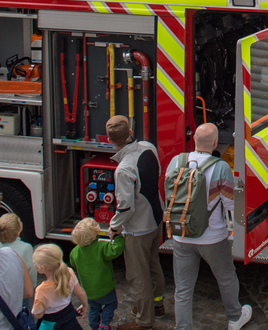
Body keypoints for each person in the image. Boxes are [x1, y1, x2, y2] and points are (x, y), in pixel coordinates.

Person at [168, 123, 253, 330]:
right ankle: (235, 317)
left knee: (183, 289)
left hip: (181, 234)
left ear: (194, 139)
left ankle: (183, 327)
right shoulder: (220, 167)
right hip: (213, 237)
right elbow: (230, 204)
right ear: (215, 143)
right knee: (226, 278)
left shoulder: (176, 161)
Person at [106, 115, 165, 330]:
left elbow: (125, 207)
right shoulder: (149, 148)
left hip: (138, 229)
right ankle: (157, 305)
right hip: (156, 218)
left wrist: (113, 227)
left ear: (111, 140)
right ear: (130, 132)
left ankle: (144, 320)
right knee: (153, 264)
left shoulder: (123, 169)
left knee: (137, 276)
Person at [70, 218, 124, 330]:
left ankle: (94, 326)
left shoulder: (75, 252)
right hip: (105, 288)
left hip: (88, 290)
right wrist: (118, 237)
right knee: (111, 304)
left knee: (94, 309)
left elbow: (73, 263)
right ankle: (104, 324)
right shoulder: (101, 247)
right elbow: (116, 249)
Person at [31, 244, 89, 330]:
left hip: (51, 324)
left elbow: (38, 314)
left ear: (42, 268)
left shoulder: (41, 290)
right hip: (69, 318)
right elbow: (80, 292)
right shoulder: (69, 272)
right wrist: (85, 305)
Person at [0, 213, 36, 287]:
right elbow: (31, 270)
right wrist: (33, 285)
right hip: (21, 287)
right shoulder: (26, 247)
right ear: (18, 231)